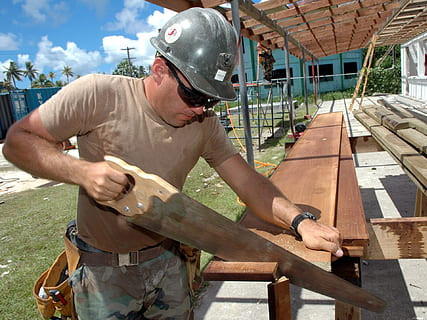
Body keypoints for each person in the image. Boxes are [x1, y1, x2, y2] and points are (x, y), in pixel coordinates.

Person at [3, 7, 342, 320]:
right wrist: (82, 172)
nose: (200, 109)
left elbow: (248, 183)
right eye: (195, 95)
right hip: (102, 272)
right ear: (160, 70)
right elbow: (18, 142)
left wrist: (300, 222)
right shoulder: (97, 95)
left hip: (168, 262)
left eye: (209, 100)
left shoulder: (203, 124)